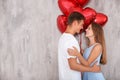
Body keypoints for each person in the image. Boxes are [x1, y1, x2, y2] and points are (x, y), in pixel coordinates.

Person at [58, 12, 100, 80]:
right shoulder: (71, 40)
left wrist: (79, 55)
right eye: (81, 25)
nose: (82, 27)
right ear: (75, 23)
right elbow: (73, 65)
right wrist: (92, 69)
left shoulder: (62, 38)